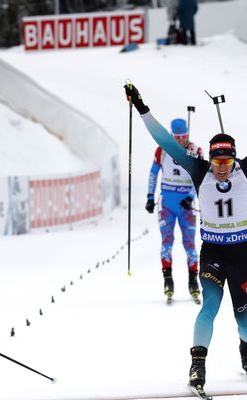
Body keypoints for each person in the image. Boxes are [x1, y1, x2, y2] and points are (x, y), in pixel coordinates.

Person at [125, 83, 247, 395]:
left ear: (234, 160)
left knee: (244, 322)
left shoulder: (245, 171)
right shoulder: (199, 169)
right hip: (214, 253)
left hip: (243, 255)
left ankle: (245, 350)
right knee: (209, 307)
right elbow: (166, 142)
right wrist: (142, 109)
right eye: (217, 163)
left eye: (226, 164)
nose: (221, 170)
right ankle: (198, 365)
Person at [145, 117, 203, 302]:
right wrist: (150, 197)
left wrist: (190, 197)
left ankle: (193, 281)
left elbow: (201, 176)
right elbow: (153, 173)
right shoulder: (162, 149)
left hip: (186, 206)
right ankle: (168, 280)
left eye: (183, 137)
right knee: (166, 243)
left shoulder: (195, 151)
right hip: (167, 206)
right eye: (176, 137)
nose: (179, 141)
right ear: (171, 135)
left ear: (187, 135)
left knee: (190, 245)